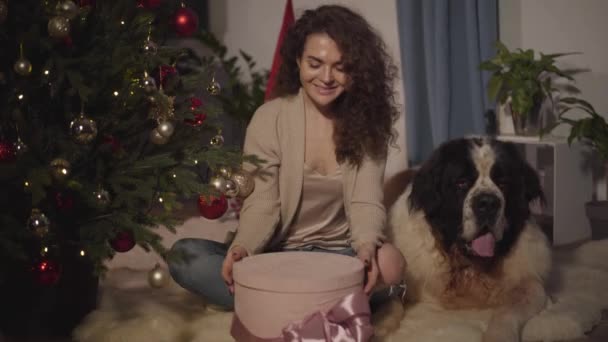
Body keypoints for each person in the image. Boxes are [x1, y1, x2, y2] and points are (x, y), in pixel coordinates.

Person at [168, 4, 406, 311]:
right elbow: (263, 202)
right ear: (298, 61)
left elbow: (366, 201)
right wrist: (244, 248)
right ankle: (326, 303)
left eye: (340, 66)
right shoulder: (270, 118)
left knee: (389, 263)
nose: (326, 77)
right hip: (276, 256)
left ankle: (276, 304)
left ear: (355, 70)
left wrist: (364, 248)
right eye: (315, 63)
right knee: (185, 256)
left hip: (339, 257)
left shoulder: (367, 124)